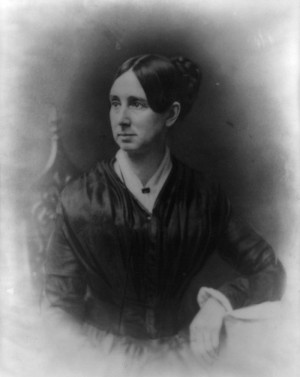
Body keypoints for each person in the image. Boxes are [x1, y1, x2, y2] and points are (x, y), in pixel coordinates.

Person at [42, 54, 285, 363]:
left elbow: (270, 270)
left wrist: (219, 304)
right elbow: (57, 308)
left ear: (170, 114)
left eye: (137, 104)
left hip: (183, 354)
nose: (122, 118)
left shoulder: (203, 197)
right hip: (102, 356)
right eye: (115, 103)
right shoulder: (80, 199)